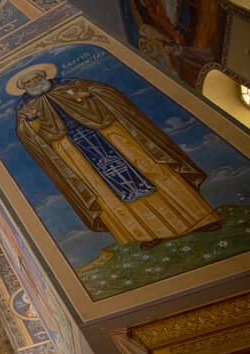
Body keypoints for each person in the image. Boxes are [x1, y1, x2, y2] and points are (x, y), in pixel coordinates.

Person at [13, 67, 219, 250]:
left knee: (151, 170)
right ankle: (148, 233)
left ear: (43, 76)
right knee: (103, 191)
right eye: (27, 83)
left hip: (110, 135)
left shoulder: (71, 83)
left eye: (35, 79)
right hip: (72, 150)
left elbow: (107, 94)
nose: (33, 84)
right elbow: (31, 136)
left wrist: (90, 96)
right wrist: (30, 119)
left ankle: (199, 219)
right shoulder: (26, 106)